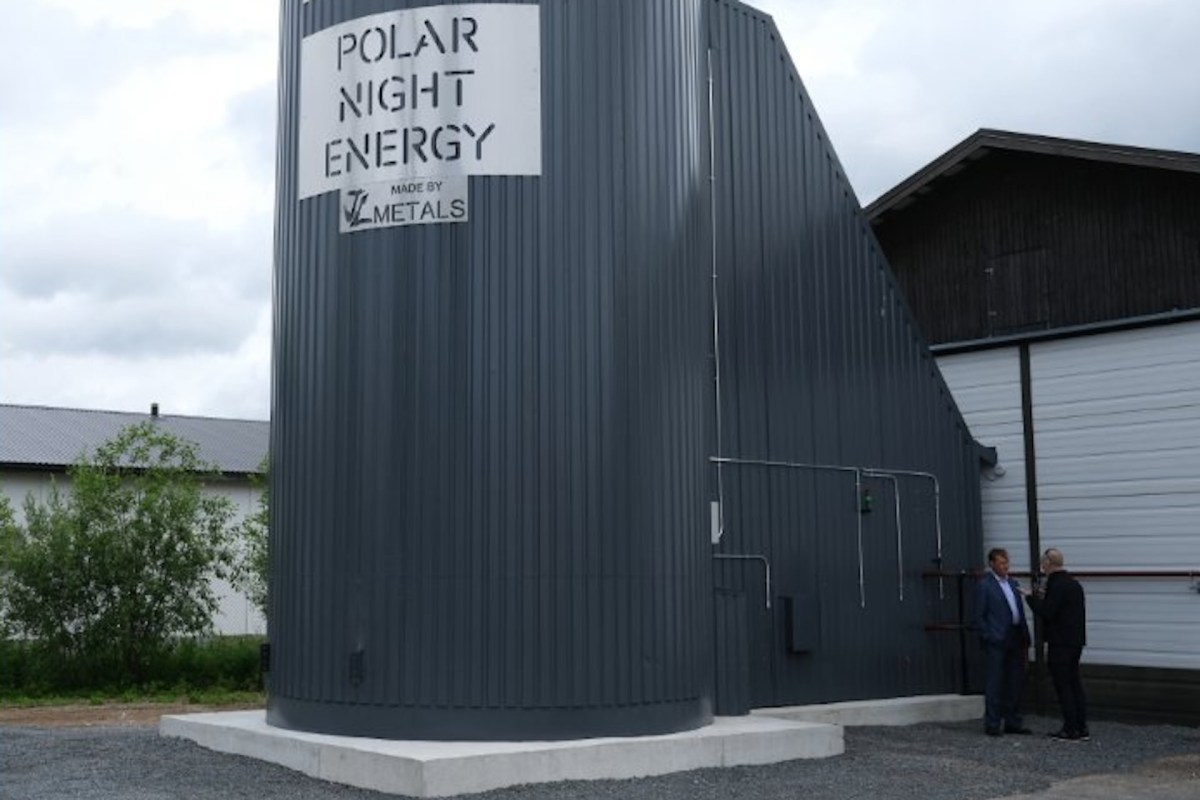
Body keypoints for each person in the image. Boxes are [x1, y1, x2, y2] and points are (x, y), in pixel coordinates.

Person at [1025, 547, 1089, 741]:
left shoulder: (1056, 584)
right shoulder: (1074, 584)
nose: (1042, 567)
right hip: (1076, 642)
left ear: (1048, 563)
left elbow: (1048, 612)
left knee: (1063, 685)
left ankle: (1070, 728)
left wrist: (1030, 598)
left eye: (1043, 563)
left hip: (1059, 642)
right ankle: (1081, 726)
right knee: (1074, 683)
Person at [973, 547, 1032, 736]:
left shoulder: (1013, 584)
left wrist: (1025, 635)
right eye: (1001, 563)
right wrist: (989, 635)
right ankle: (993, 723)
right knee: (995, 682)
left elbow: (1018, 611)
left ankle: (1013, 721)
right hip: (997, 639)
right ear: (992, 564)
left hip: (1015, 636)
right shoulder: (985, 586)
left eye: (1006, 562)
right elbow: (978, 616)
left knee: (1015, 682)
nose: (1005, 566)